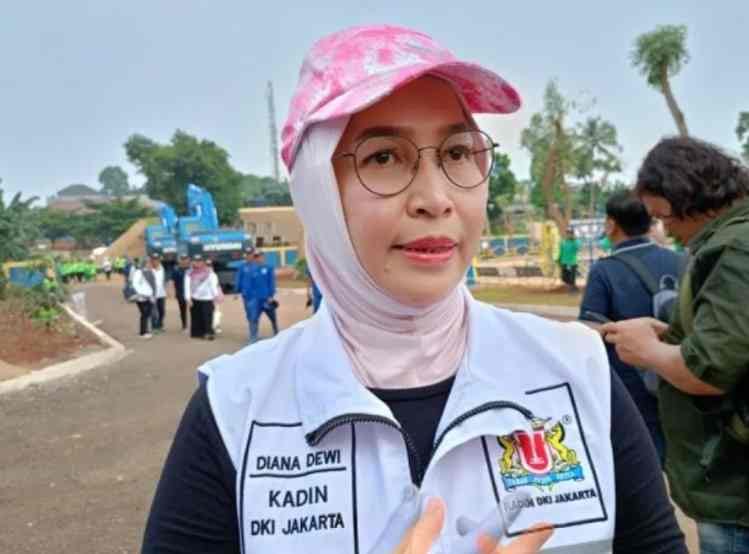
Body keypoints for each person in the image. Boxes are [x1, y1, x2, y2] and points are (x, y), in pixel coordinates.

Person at [142, 25, 686, 553]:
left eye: (456, 153)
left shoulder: (576, 372)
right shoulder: (239, 410)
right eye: (383, 157)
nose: (436, 198)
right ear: (317, 190)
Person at [603, 137, 749, 554]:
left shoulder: (733, 248)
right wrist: (673, 336)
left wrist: (647, 352)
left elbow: (710, 370)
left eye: (665, 217)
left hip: (733, 491)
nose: (667, 231)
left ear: (688, 196)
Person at [579, 190, 684, 466]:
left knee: (646, 457)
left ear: (611, 224)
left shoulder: (605, 270)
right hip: (679, 371)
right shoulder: (679, 260)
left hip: (631, 384)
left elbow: (590, 328)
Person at [184, 254, 219, 340]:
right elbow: (187, 286)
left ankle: (208, 333)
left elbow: (213, 285)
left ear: (203, 262)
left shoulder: (209, 272)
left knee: (207, 316)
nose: (197, 263)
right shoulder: (189, 273)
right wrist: (188, 298)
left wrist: (215, 296)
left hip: (207, 298)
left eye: (199, 261)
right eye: (195, 261)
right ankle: (197, 333)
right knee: (196, 317)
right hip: (195, 298)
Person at [130, 258, 155, 339]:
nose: (149, 264)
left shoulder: (150, 272)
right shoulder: (138, 272)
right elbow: (135, 284)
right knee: (144, 314)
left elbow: (153, 285)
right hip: (141, 298)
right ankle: (142, 332)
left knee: (147, 314)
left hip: (149, 297)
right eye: (148, 263)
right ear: (144, 263)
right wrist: (142, 293)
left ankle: (146, 330)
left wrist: (152, 295)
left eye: (150, 263)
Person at [148, 253, 167, 334]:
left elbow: (163, 280)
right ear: (151, 260)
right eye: (154, 259)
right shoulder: (149, 270)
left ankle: (160, 325)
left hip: (162, 294)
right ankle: (154, 327)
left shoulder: (162, 268)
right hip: (152, 294)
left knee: (162, 311)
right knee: (153, 312)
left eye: (157, 259)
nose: (155, 261)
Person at [171, 254, 191, 333]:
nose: (184, 261)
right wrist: (172, 291)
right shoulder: (176, 270)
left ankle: (196, 326)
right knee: (183, 310)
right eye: (182, 259)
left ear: (188, 260)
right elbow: (172, 281)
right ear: (179, 260)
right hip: (180, 293)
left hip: (191, 293)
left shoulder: (191, 269)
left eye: (185, 259)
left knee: (194, 310)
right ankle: (184, 326)